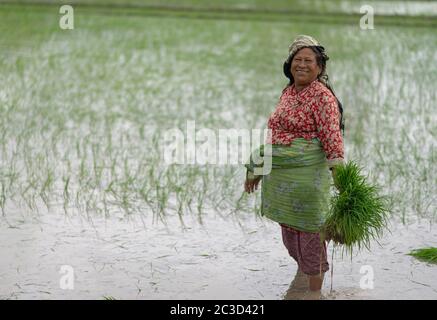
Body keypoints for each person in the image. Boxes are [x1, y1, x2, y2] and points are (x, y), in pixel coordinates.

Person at [244, 35, 344, 299]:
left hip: (307, 181)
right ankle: (305, 276)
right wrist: (259, 166)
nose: (302, 65)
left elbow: (332, 138)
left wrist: (341, 179)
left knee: (310, 235)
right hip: (283, 184)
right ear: (289, 65)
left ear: (319, 67)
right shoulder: (288, 92)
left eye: (308, 60)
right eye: (297, 60)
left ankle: (314, 292)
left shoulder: (323, 98)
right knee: (290, 236)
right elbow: (275, 134)